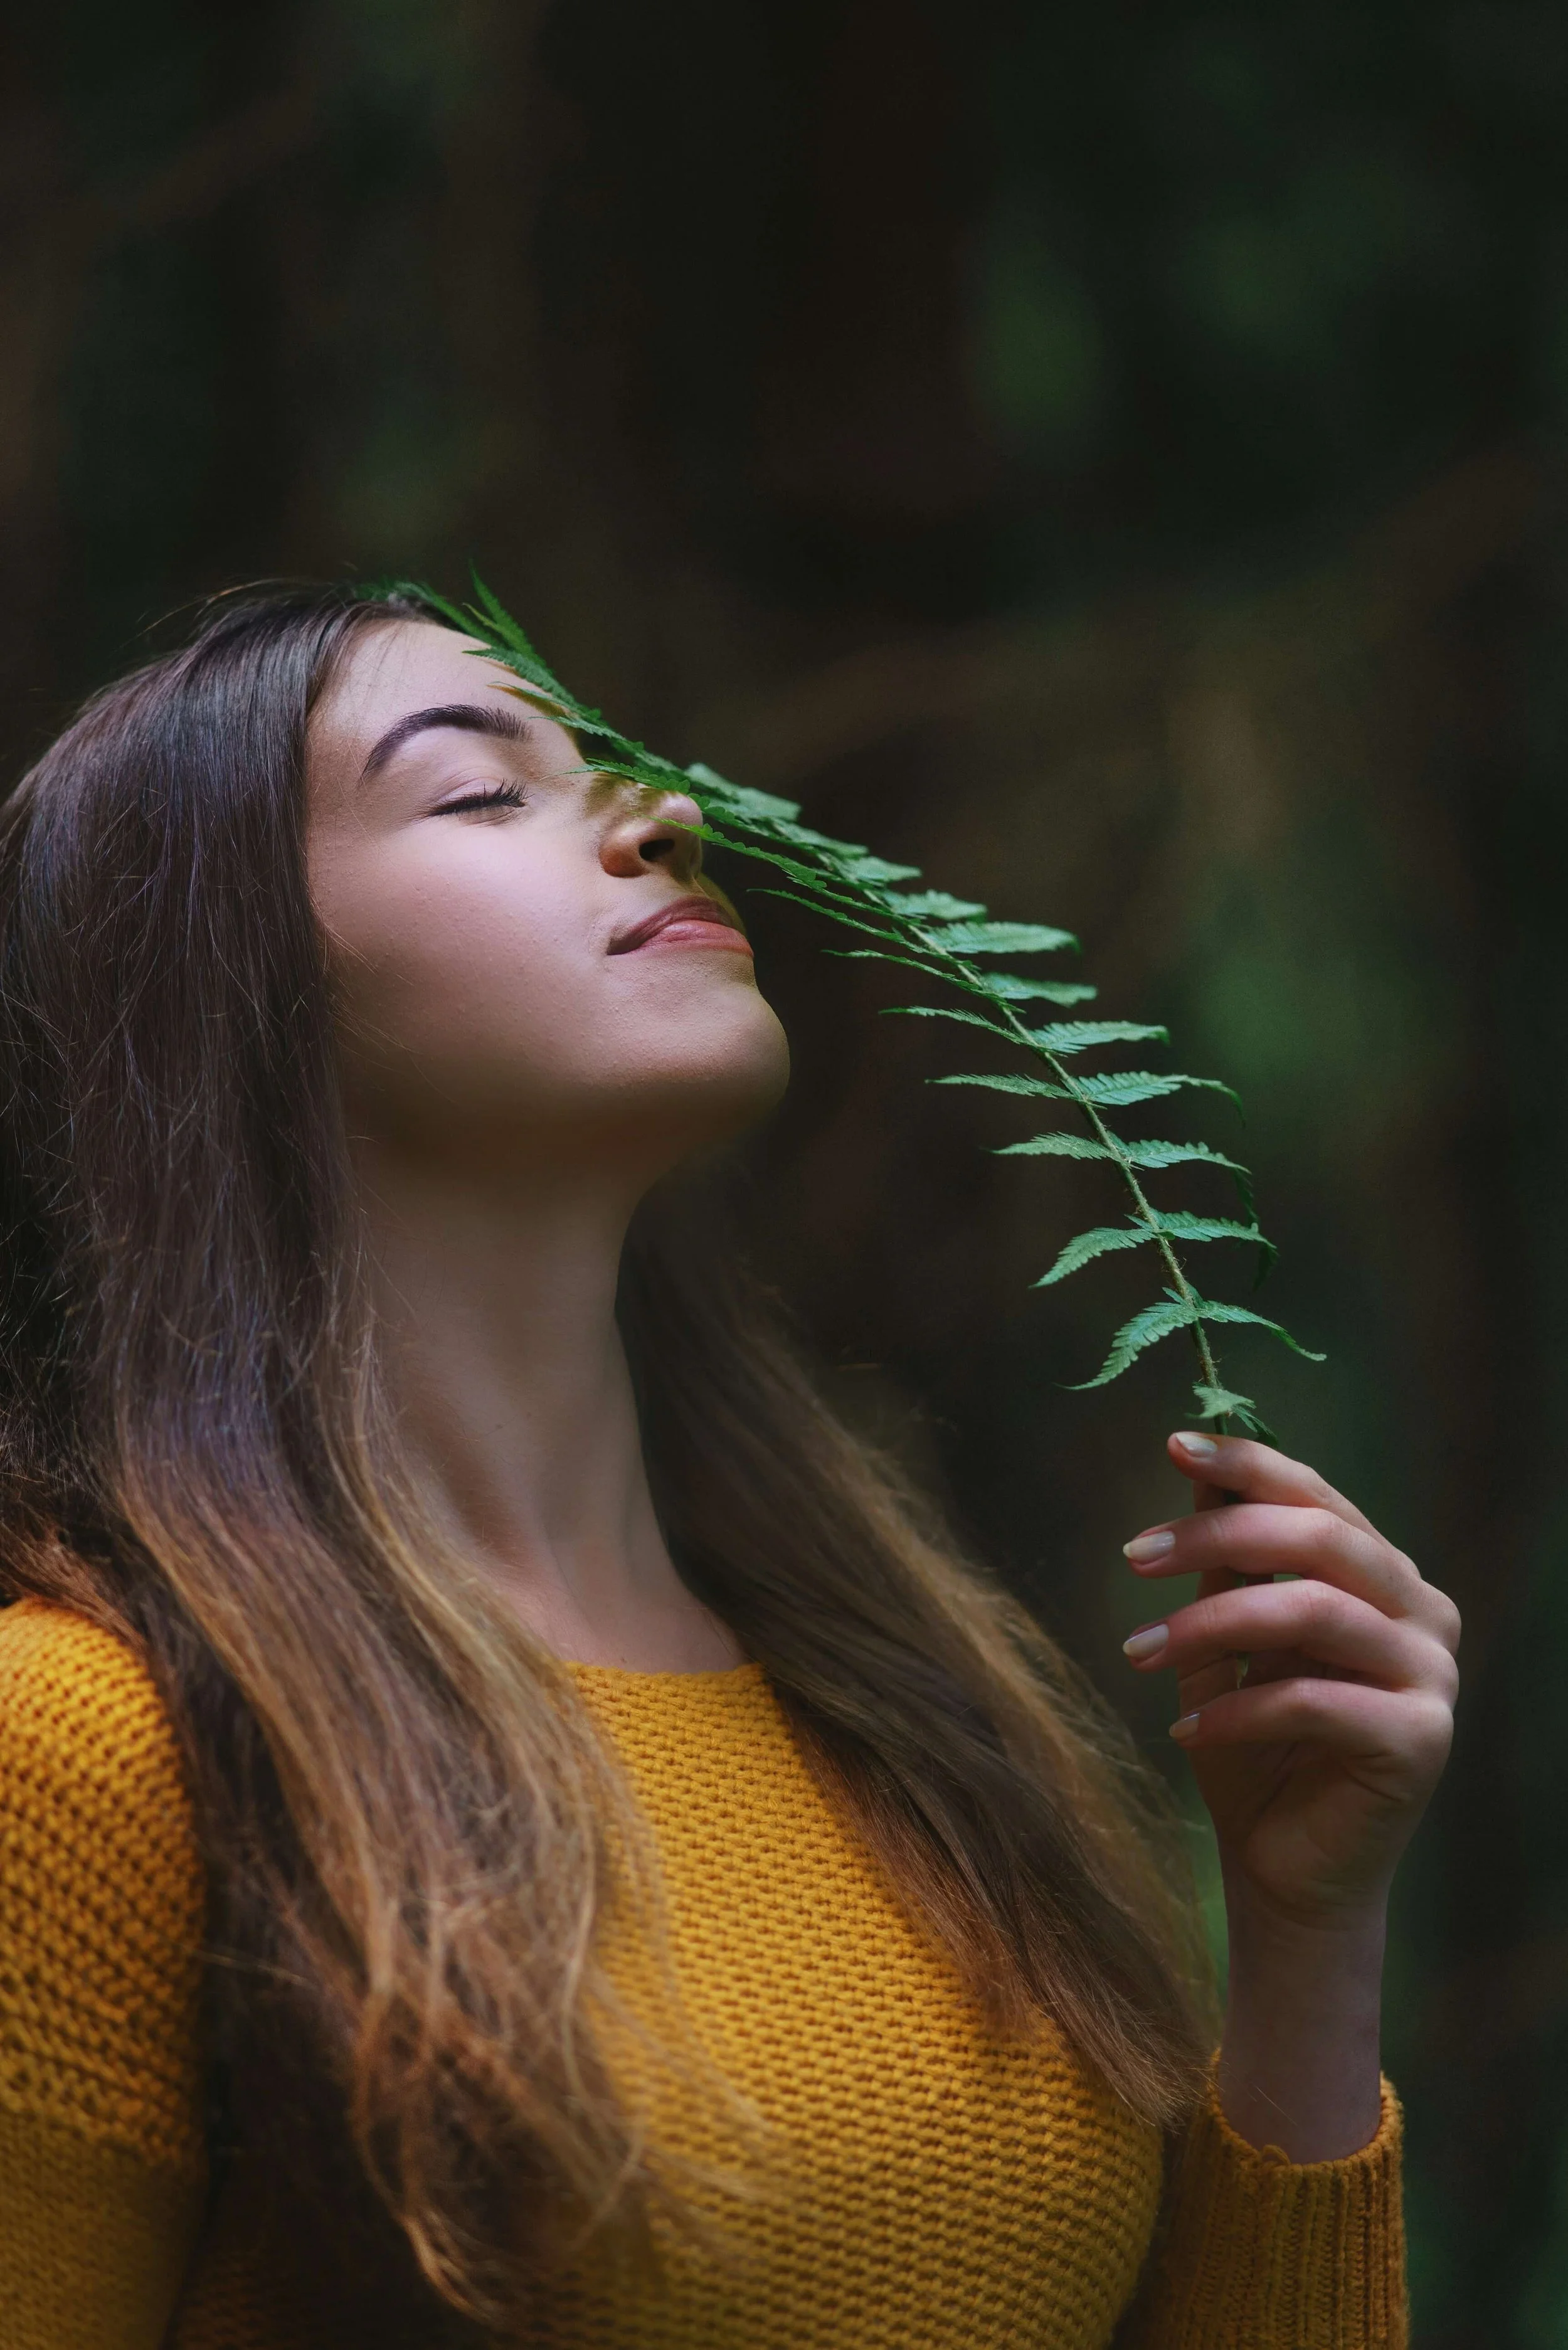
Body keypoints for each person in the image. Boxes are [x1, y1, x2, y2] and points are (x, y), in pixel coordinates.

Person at [0, 588, 1458, 2349]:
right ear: (230, 982)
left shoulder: (918, 1718)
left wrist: (1304, 1941)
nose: (661, 815)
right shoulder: (86, 1753)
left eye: (614, 767)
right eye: (478, 793)